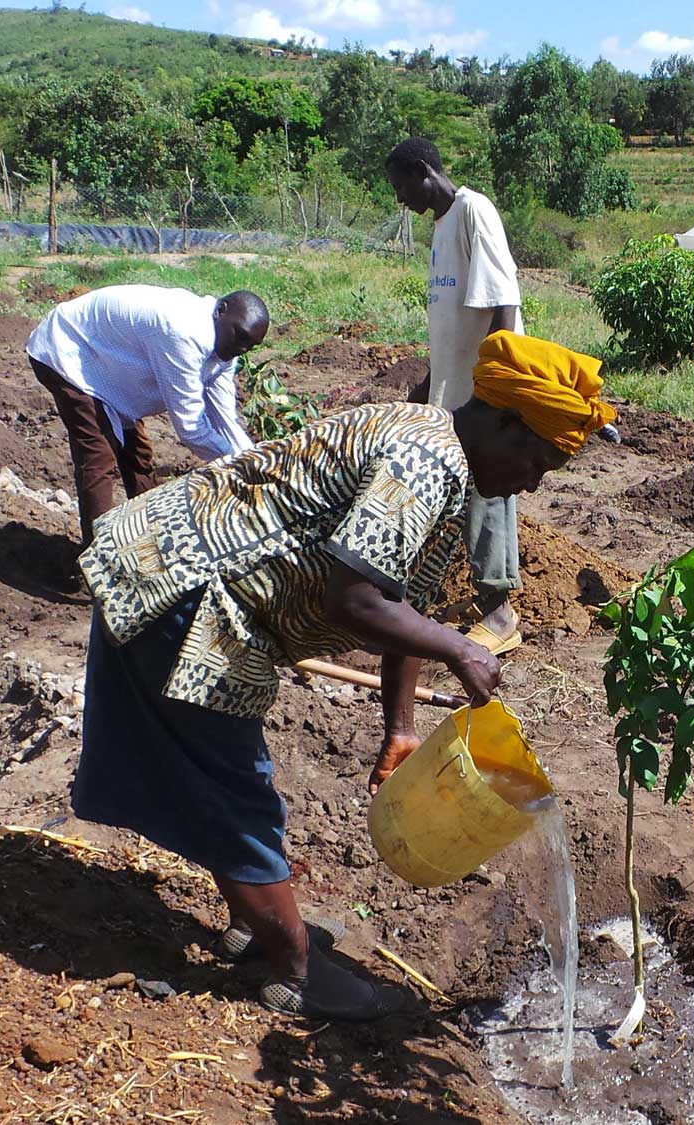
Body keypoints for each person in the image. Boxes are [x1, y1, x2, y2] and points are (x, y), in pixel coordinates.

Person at [70, 330, 615, 1021]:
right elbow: (354, 598)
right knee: (235, 784)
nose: (533, 482)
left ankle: (255, 922)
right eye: (538, 460)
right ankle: (298, 972)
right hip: (189, 588)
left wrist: (402, 726)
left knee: (220, 776)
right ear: (506, 421)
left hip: (187, 577)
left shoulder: (439, 445)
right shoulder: (425, 462)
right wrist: (459, 646)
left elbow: (398, 599)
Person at [384, 136, 527, 657]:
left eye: (402, 187)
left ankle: (499, 613)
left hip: (484, 388)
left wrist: (497, 385)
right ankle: (463, 591)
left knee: (487, 491)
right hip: (457, 388)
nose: (400, 200)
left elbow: (503, 299)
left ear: (424, 171)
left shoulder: (473, 210)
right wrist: (429, 385)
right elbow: (453, 321)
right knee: (461, 494)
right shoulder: (443, 227)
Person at [26, 285, 269, 545]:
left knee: (138, 457)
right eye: (240, 337)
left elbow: (225, 419)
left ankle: (152, 539)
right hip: (69, 350)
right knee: (99, 454)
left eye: (250, 346)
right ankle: (99, 556)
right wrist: (245, 467)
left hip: (111, 366)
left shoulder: (225, 349)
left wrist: (261, 463)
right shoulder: (184, 331)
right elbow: (190, 428)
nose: (242, 349)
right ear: (221, 311)